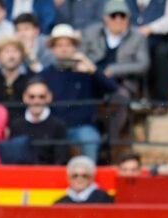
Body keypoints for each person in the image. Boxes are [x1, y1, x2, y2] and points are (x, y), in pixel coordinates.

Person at [40, 24, 117, 161]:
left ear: (75, 47)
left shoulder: (86, 71)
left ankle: (89, 180)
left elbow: (112, 88)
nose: (64, 48)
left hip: (82, 127)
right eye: (59, 45)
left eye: (68, 44)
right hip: (54, 128)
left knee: (89, 139)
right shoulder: (45, 75)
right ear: (52, 49)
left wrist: (92, 69)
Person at [79, 0, 147, 98]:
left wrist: (113, 70)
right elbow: (81, 55)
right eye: (113, 16)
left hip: (122, 82)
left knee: (121, 95)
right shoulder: (91, 32)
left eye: (122, 16)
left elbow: (143, 65)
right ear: (105, 18)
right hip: (92, 78)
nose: (118, 20)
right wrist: (92, 69)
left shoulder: (137, 36)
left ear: (128, 18)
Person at [127, 0, 168, 112]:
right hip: (130, 38)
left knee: (161, 53)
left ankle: (161, 102)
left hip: (160, 38)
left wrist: (150, 28)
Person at [7, 78, 69, 165]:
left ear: (49, 97)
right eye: (32, 97)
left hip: (49, 175)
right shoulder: (16, 125)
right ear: (24, 97)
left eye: (41, 97)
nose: (36, 101)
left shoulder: (58, 125)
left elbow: (61, 160)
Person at [0, 36, 31, 120]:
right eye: (6, 51)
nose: (11, 56)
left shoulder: (32, 78)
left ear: (22, 55)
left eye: (15, 51)